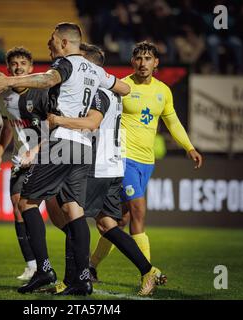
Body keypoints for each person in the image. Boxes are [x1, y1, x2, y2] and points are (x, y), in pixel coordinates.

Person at [0, 22, 130, 295]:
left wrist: (10, 80)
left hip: (61, 142)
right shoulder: (95, 70)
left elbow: (48, 80)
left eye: (52, 40)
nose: (49, 45)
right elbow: (124, 89)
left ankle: (44, 270)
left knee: (26, 203)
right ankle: (83, 279)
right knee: (73, 210)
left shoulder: (66, 64)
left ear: (64, 43)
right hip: (85, 148)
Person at [47, 42, 160, 296]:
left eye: (83, 63)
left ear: (92, 66)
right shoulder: (114, 93)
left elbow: (92, 125)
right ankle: (147, 269)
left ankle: (71, 279)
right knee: (107, 225)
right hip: (113, 166)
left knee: (72, 215)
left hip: (98, 166)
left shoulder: (98, 92)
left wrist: (57, 121)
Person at [89, 41, 203, 279]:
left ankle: (90, 267)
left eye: (148, 59)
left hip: (146, 162)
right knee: (139, 211)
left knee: (120, 221)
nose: (143, 63)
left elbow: (172, 122)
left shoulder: (163, 91)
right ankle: (148, 272)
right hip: (124, 158)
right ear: (133, 61)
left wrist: (189, 147)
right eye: (139, 59)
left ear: (156, 63)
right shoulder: (122, 87)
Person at [0, 47, 48, 282]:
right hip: (19, 159)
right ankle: (32, 265)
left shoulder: (42, 92)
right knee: (17, 207)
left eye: (23, 63)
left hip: (45, 157)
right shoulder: (4, 97)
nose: (18, 67)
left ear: (31, 68)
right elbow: (7, 126)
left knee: (59, 213)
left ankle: (71, 264)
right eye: (14, 64)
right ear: (8, 68)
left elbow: (51, 127)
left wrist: (36, 151)